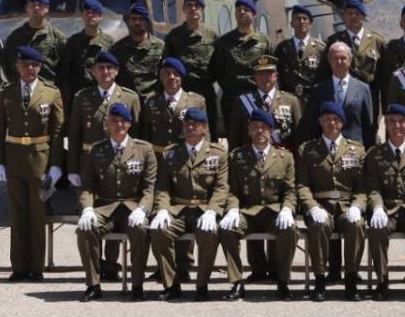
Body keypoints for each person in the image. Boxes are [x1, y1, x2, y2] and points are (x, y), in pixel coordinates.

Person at [58, 50, 141, 280]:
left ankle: (111, 264)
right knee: (90, 214)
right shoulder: (82, 97)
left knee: (116, 209)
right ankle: (96, 266)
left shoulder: (130, 98)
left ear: (117, 72)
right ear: (93, 72)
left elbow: (137, 133)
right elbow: (74, 134)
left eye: (110, 68)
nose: (105, 72)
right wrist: (72, 169)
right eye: (101, 68)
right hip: (89, 163)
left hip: (119, 162)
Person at [0, 46, 65, 281]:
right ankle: (19, 266)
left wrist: (56, 165)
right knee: (17, 214)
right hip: (14, 159)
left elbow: (57, 132)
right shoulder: (7, 92)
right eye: (25, 65)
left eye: (34, 65)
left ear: (40, 67)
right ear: (18, 66)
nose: (30, 69)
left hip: (40, 160)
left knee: (37, 215)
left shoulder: (51, 93)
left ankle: (36, 267)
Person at [76, 103, 157, 301]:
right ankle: (93, 284)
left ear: (129, 124)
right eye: (115, 121)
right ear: (107, 123)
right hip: (106, 208)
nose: (119, 125)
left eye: (123, 121)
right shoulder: (96, 150)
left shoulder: (144, 150)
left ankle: (137, 285)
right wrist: (87, 209)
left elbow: (149, 187)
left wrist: (143, 209)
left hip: (132, 207)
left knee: (140, 229)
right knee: (85, 229)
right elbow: (87, 186)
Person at [149, 107, 227, 301]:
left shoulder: (218, 153)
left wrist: (212, 212)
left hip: (204, 210)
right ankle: (171, 284)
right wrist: (163, 209)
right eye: (187, 124)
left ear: (204, 128)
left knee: (210, 233)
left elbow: (221, 188)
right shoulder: (171, 153)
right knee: (159, 230)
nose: (190, 128)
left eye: (195, 124)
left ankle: (202, 285)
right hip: (179, 209)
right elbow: (163, 187)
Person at [219, 108, 298, 301]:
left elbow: (290, 190)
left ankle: (283, 281)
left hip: (274, 213)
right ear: (248, 130)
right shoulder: (237, 157)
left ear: (271, 131)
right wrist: (232, 209)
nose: (259, 131)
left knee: (290, 230)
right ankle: (237, 282)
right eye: (255, 127)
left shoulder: (285, 157)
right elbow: (232, 190)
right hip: (248, 213)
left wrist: (287, 209)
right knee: (227, 229)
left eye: (264, 127)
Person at [297, 101, 368, 301]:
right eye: (327, 119)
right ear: (320, 121)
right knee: (319, 225)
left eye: (336, 119)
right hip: (321, 205)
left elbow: (362, 188)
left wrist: (357, 206)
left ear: (342, 123)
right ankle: (320, 280)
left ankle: (351, 280)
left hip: (346, 206)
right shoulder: (307, 149)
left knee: (357, 225)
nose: (332, 123)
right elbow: (302, 185)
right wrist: (312, 207)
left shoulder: (357, 149)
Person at [363, 104, 405, 301]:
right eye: (392, 122)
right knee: (376, 229)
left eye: (401, 122)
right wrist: (377, 207)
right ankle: (382, 282)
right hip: (388, 209)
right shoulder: (375, 155)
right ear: (386, 124)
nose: (396, 126)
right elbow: (373, 188)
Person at [163, 0, 221, 136]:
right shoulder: (174, 36)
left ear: (202, 9)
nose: (193, 8)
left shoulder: (212, 36)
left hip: (205, 91)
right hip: (182, 91)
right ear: (184, 9)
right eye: (189, 5)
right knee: (180, 132)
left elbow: (220, 65)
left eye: (197, 5)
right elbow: (166, 64)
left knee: (208, 133)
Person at [212, 0, 273, 126]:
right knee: (232, 134)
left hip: (256, 97)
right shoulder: (224, 42)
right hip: (231, 98)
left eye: (246, 9)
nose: (242, 12)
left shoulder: (264, 41)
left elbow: (272, 69)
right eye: (239, 9)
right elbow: (217, 70)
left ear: (254, 15)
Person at [302, 41, 375, 145]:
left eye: (343, 58)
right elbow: (312, 125)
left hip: (354, 149)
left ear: (350, 60)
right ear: (329, 61)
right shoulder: (318, 90)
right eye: (335, 58)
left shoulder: (363, 89)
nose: (339, 62)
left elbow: (369, 127)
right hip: (326, 148)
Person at [226, 55, 303, 150]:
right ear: (254, 77)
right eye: (260, 74)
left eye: (268, 73)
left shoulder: (291, 101)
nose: (264, 77)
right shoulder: (242, 102)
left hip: (282, 156)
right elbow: (234, 137)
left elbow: (299, 136)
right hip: (251, 156)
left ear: (276, 76)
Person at [321, 0, 387, 105]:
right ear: (343, 16)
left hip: (369, 97)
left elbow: (385, 75)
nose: (353, 16)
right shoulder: (334, 40)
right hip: (341, 96)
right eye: (349, 13)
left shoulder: (377, 41)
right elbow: (324, 72)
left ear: (363, 17)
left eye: (357, 13)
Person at [138, 57, 207, 156]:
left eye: (176, 73)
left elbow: (205, 134)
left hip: (185, 157)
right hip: (158, 158)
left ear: (181, 78)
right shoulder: (150, 102)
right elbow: (145, 135)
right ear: (161, 77)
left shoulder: (196, 102)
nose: (171, 77)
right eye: (167, 73)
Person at [56, 0, 114, 112]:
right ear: (82, 16)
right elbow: (65, 71)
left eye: (94, 13)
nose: (90, 16)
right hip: (77, 96)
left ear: (100, 16)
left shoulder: (109, 42)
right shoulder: (73, 41)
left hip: (101, 95)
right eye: (87, 13)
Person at [0, 0, 68, 86]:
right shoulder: (14, 37)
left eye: (40, 5)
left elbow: (66, 69)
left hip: (47, 91)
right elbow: (6, 64)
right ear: (27, 8)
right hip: (20, 90)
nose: (36, 8)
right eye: (32, 5)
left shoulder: (57, 38)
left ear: (47, 8)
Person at [110, 3, 165, 99]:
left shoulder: (160, 47)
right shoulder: (118, 48)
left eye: (141, 19)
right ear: (128, 22)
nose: (137, 22)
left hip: (152, 101)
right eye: (134, 19)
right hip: (126, 101)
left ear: (147, 22)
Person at [274, 4, 326, 102]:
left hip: (312, 100)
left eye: (304, 19)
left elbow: (325, 76)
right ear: (291, 23)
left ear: (311, 23)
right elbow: (276, 74)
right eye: (297, 19)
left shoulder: (321, 49)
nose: (301, 22)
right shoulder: (282, 48)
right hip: (288, 99)